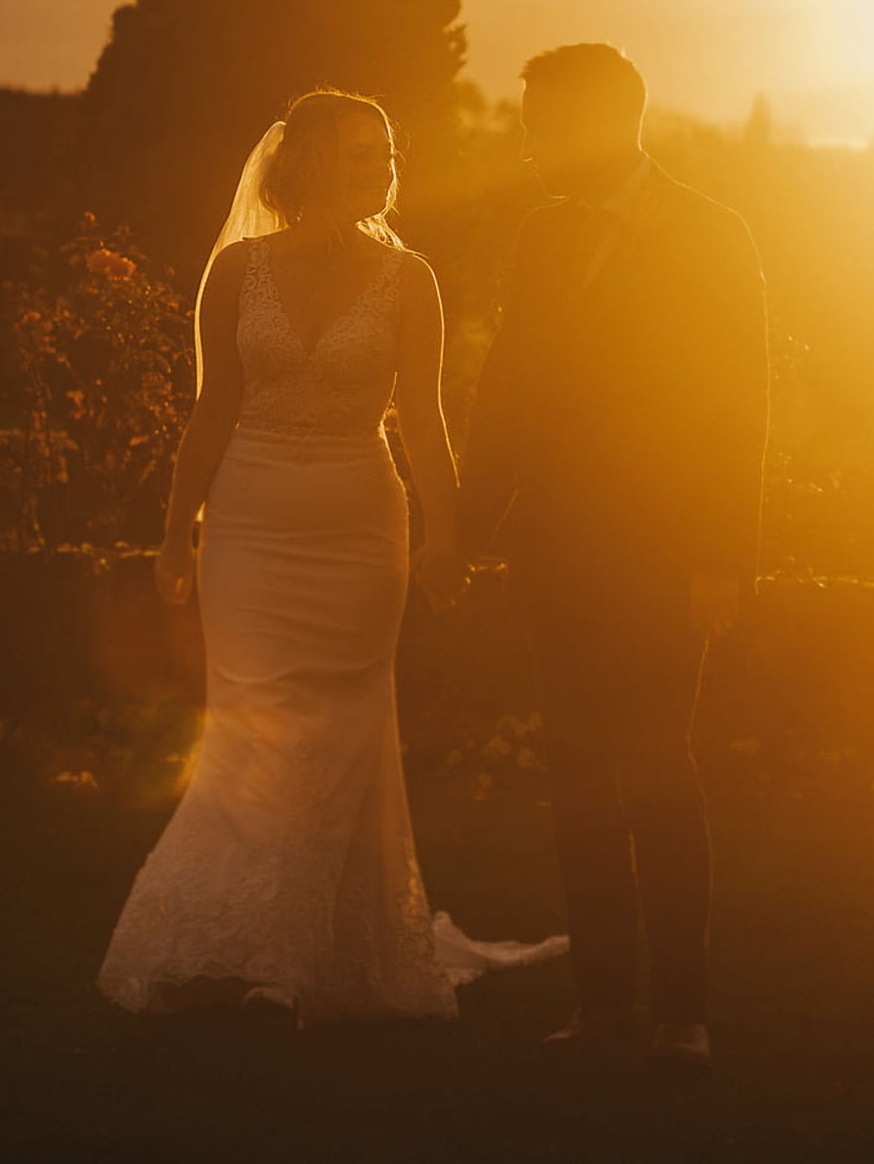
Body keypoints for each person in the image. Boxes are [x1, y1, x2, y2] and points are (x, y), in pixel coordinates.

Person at [98, 89, 565, 1021]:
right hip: (249, 523)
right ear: (306, 162)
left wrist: (446, 535)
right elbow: (212, 411)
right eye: (361, 154)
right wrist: (174, 529)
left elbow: (427, 422)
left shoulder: (411, 280)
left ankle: (296, 955)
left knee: (342, 728)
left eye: (387, 155)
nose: (384, 170)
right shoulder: (237, 272)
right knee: (255, 723)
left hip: (360, 529)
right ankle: (248, 930)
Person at [461, 44, 769, 1070]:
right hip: (555, 552)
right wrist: (468, 526)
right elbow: (508, 384)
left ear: (600, 123)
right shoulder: (543, 232)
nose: (528, 141)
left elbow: (739, 407)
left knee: (657, 772)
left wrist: (721, 555)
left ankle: (682, 1010)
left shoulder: (711, 233)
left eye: (541, 121)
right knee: (578, 777)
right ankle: (601, 1005)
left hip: (662, 553)